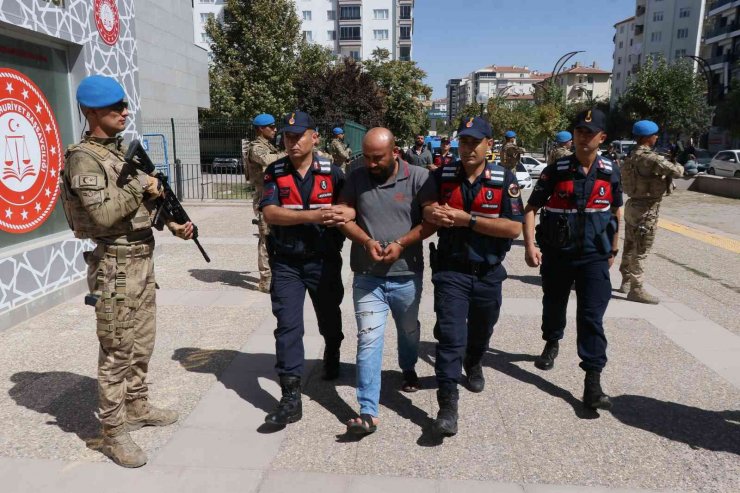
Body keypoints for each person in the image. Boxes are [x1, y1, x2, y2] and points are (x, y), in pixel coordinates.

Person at [59, 75, 193, 467]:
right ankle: (113, 433)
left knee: (142, 342)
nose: (124, 112)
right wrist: (143, 187)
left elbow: (140, 204)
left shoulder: (118, 153)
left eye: (123, 105)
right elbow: (102, 213)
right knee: (116, 349)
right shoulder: (84, 157)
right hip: (114, 265)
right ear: (92, 112)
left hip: (140, 258)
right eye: (116, 107)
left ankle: (136, 405)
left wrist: (172, 222)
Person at [419, 116, 523, 437]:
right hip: (451, 270)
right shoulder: (443, 175)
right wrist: (431, 211)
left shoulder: (505, 179)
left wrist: (469, 220)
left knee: (482, 329)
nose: (467, 148)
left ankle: (475, 361)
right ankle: (447, 404)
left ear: (489, 145)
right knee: (450, 338)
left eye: (474, 142)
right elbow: (425, 205)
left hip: (489, 272)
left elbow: (513, 227)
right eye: (463, 142)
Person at [522, 108, 622, 411]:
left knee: (591, 317)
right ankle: (552, 341)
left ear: (602, 137)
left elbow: (616, 211)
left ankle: (592, 382)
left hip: (594, 256)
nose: (583, 136)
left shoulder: (610, 170)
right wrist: (530, 246)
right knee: (554, 304)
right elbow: (531, 208)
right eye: (579, 131)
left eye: (590, 132)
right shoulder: (556, 169)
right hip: (558, 254)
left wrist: (614, 250)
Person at [337, 128, 434, 435]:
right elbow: (346, 217)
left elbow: (429, 220)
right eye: (366, 156)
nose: (370, 163)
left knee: (408, 330)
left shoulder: (419, 177)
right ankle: (368, 411)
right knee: (368, 339)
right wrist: (366, 241)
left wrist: (402, 244)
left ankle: (407, 367)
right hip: (367, 276)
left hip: (407, 274)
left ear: (395, 152)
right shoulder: (355, 177)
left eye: (377, 157)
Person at [259, 111, 353, 426]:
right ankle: (291, 394)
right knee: (288, 325)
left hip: (323, 260)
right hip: (286, 261)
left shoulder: (333, 172)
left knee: (329, 313)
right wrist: (312, 216)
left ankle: (333, 348)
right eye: (287, 136)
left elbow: (349, 208)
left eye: (299, 135)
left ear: (314, 137)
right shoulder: (275, 171)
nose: (293, 141)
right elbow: (271, 213)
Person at [618, 120, 683, 304]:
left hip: (631, 205)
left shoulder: (630, 156)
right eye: (655, 135)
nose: (656, 137)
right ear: (647, 137)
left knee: (630, 244)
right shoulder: (651, 159)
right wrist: (678, 163)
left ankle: (625, 280)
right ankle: (636, 289)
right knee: (642, 249)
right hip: (647, 209)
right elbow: (677, 171)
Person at [246, 113, 287, 292]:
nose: (275, 129)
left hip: (274, 197)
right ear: (260, 129)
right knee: (265, 238)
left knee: (275, 236)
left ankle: (277, 275)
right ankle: (266, 281)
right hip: (263, 199)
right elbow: (268, 160)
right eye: (271, 126)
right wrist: (289, 152)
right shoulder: (256, 148)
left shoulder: (270, 145)